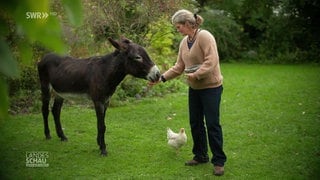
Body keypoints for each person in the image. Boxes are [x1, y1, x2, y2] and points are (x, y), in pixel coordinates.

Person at [150, 9, 227, 176]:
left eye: (178, 27)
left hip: (211, 87)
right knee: (195, 123)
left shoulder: (205, 36)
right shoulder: (184, 42)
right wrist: (161, 78)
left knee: (213, 124)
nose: (177, 30)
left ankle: (219, 161)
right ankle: (200, 156)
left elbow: (211, 61)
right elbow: (179, 67)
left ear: (187, 24)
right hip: (195, 88)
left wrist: (196, 75)